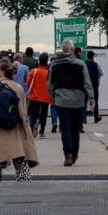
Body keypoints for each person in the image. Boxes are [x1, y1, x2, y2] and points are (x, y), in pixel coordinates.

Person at [0, 59, 39, 181]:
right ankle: (24, 181)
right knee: (19, 157)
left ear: (3, 71)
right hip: (15, 127)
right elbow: (23, 109)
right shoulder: (18, 87)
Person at [47, 38, 94, 166]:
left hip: (61, 100)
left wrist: (53, 97)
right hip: (78, 101)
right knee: (75, 129)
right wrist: (91, 100)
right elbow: (87, 82)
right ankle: (74, 153)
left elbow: (50, 84)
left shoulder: (54, 64)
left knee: (65, 128)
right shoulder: (80, 64)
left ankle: (67, 154)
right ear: (72, 50)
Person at [26, 52, 52, 138]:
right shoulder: (48, 73)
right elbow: (51, 85)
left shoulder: (34, 71)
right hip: (45, 97)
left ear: (39, 61)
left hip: (34, 96)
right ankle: (42, 132)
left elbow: (28, 83)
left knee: (32, 113)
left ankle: (32, 126)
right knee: (43, 115)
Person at [86, 50, 102, 123]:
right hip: (94, 86)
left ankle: (84, 119)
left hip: (86, 86)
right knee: (95, 101)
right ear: (93, 57)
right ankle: (96, 117)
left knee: (84, 102)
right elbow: (101, 73)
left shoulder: (84, 64)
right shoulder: (96, 65)